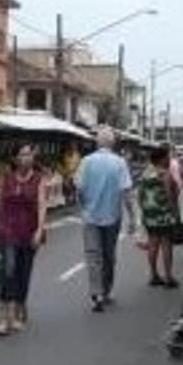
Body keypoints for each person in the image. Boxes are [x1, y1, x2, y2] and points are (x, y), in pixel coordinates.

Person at [75, 127, 137, 312]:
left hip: (90, 217)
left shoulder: (86, 161)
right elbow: (126, 192)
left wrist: (84, 206)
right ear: (113, 143)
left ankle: (96, 293)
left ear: (97, 143)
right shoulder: (120, 163)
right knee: (109, 255)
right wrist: (133, 217)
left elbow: (79, 188)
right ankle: (107, 290)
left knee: (93, 255)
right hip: (112, 216)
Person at [0, 143, 47, 335]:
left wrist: (40, 229)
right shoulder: (7, 178)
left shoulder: (39, 179)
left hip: (29, 232)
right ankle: (3, 318)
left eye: (29, 154)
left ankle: (17, 311)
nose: (27, 158)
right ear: (16, 158)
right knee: (8, 271)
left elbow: (41, 204)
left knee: (23, 273)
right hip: (7, 232)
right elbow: (0, 202)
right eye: (23, 154)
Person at [136, 145, 180, 288]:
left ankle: (153, 275)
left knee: (153, 243)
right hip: (164, 213)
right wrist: (175, 212)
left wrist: (143, 210)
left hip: (150, 213)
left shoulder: (146, 173)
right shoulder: (165, 174)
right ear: (161, 159)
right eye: (167, 157)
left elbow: (140, 195)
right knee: (166, 244)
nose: (169, 159)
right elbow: (170, 195)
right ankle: (168, 277)